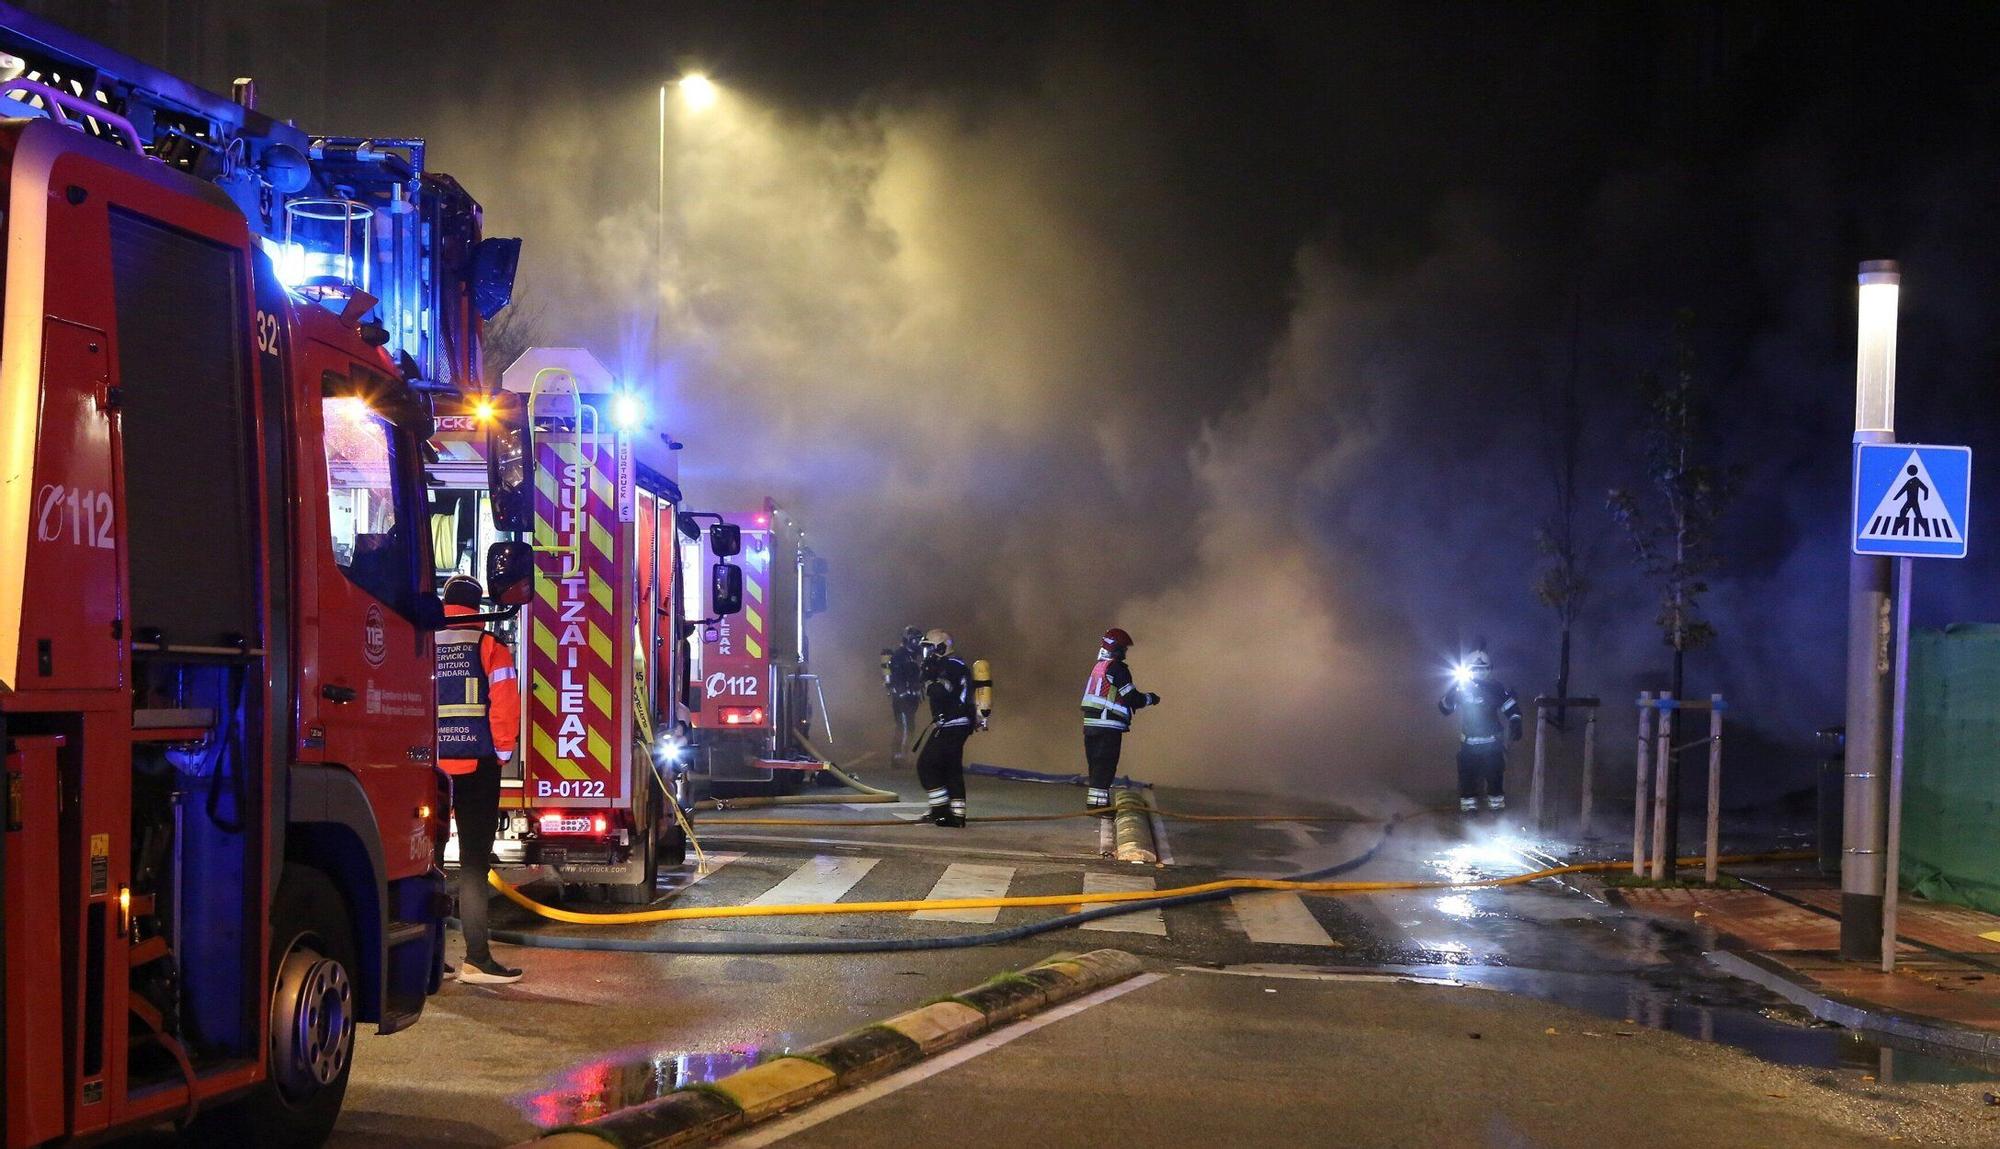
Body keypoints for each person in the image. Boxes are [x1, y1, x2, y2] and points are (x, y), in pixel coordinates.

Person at [436, 575, 524, 984]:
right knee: (473, 864)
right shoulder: (489, 647)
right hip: (477, 767)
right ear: (478, 607)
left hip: (429, 770)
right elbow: (504, 708)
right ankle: (476, 959)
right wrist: (501, 755)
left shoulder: (422, 642)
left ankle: (430, 960)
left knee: (428, 864)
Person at [1080, 628, 1159, 813]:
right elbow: (1132, 698)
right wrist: (1150, 698)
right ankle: (1098, 808)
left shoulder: (1098, 667)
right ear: (1117, 649)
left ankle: (1097, 805)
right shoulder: (1117, 669)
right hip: (1107, 726)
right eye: (1123, 649)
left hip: (1091, 725)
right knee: (1105, 766)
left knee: (1097, 767)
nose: (1125, 653)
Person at [1438, 642, 1521, 813]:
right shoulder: (1460, 688)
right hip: (1468, 748)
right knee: (1467, 785)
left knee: (1495, 784)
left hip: (1492, 747)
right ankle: (1470, 822)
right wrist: (1451, 695)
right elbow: (1445, 709)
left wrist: (1516, 721)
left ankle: (1499, 821)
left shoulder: (1496, 688)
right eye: (1474, 669)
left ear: (1489, 669)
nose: (1479, 672)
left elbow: (1511, 708)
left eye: (1483, 669)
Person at [914, 628, 978, 826]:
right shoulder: (952, 664)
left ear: (941, 647)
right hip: (954, 724)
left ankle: (940, 810)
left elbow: (941, 691)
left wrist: (927, 679)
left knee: (927, 765)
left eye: (929, 649)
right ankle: (956, 814)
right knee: (950, 769)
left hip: (953, 723)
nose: (927, 655)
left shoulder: (951, 665)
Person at [880, 625, 925, 764]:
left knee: (907, 726)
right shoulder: (900, 656)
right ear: (909, 640)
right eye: (916, 640)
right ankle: (899, 756)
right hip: (902, 699)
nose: (918, 643)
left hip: (911, 698)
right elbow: (897, 677)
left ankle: (901, 755)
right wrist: (903, 693)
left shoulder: (912, 656)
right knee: (905, 727)